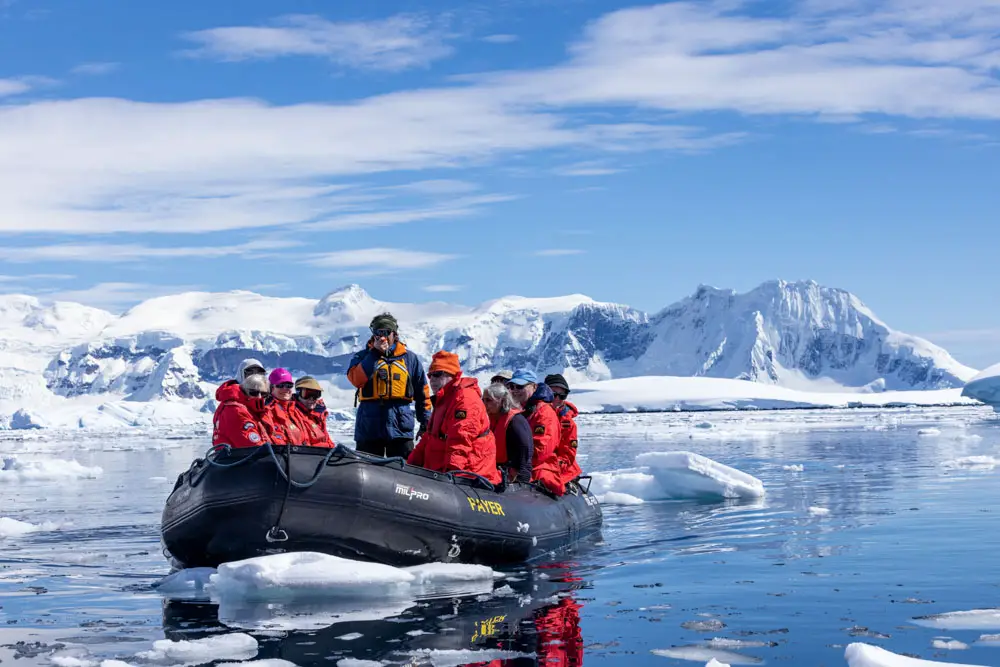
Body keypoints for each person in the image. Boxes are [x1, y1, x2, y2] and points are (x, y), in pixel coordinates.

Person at [408, 351, 501, 485]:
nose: (432, 379)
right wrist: (409, 465)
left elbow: (461, 440)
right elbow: (429, 437)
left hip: (469, 475)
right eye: (430, 375)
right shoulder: (444, 399)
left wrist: (452, 476)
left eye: (438, 374)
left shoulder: (465, 399)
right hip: (438, 471)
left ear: (452, 375)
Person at [347, 313, 431, 458]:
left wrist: (425, 423)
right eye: (377, 332)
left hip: (400, 428)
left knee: (403, 471)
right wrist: (374, 354)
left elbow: (422, 391)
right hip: (369, 428)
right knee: (367, 469)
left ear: (394, 334)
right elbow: (356, 380)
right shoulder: (362, 357)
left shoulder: (409, 359)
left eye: (386, 332)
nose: (381, 337)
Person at [506, 369, 563, 495]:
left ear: (534, 387)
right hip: (515, 469)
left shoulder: (543, 413)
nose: (514, 390)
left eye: (520, 386)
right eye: (511, 386)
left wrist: (516, 467)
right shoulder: (517, 411)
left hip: (538, 472)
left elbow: (541, 450)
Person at [482, 383, 533, 484]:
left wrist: (513, 473)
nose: (484, 403)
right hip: (498, 470)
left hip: (516, 475)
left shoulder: (516, 420)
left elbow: (524, 448)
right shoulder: (491, 419)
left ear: (502, 401)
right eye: (483, 400)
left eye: (489, 400)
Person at [212, 370, 274, 448]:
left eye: (263, 394)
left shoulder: (252, 411)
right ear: (244, 391)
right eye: (253, 393)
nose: (259, 397)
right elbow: (252, 447)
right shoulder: (236, 410)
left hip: (246, 458)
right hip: (238, 459)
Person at [545, 373, 583, 487]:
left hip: (560, 471)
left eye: (562, 395)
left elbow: (567, 455)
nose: (557, 398)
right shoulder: (533, 414)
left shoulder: (568, 424)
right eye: (553, 394)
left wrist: (548, 467)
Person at [289, 376, 335, 447]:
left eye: (315, 395)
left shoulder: (318, 415)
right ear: (298, 394)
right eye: (307, 394)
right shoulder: (290, 412)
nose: (311, 399)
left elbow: (327, 440)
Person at [264, 368, 302, 446]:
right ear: (271, 388)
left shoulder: (295, 410)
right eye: (280, 385)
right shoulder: (266, 410)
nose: (285, 389)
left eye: (289, 385)